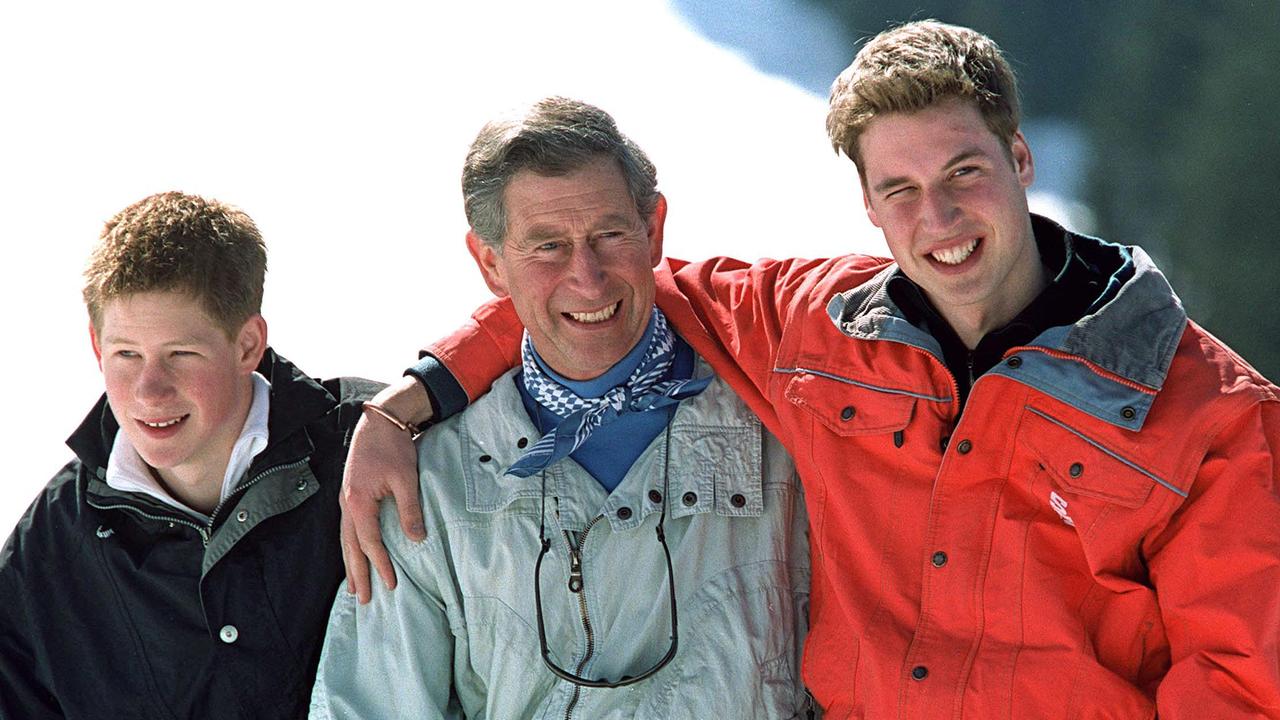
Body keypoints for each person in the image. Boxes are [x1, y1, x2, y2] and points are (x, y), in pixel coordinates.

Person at [341, 20, 1280, 718]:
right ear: (868, 205)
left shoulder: (1211, 412)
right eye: (900, 190)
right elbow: (601, 293)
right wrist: (416, 397)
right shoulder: (814, 332)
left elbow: (1239, 682)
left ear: (1021, 157)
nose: (939, 220)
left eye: (964, 173)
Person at [309, 97, 811, 719]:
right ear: (491, 263)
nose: (588, 277)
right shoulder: (428, 487)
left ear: (653, 230)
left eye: (609, 234)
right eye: (547, 246)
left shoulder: (789, 435)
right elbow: (368, 706)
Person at [0, 192, 380, 719]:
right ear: (96, 346)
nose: (149, 391)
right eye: (126, 355)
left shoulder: (373, 447)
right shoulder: (52, 545)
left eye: (181, 354)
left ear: (248, 344)